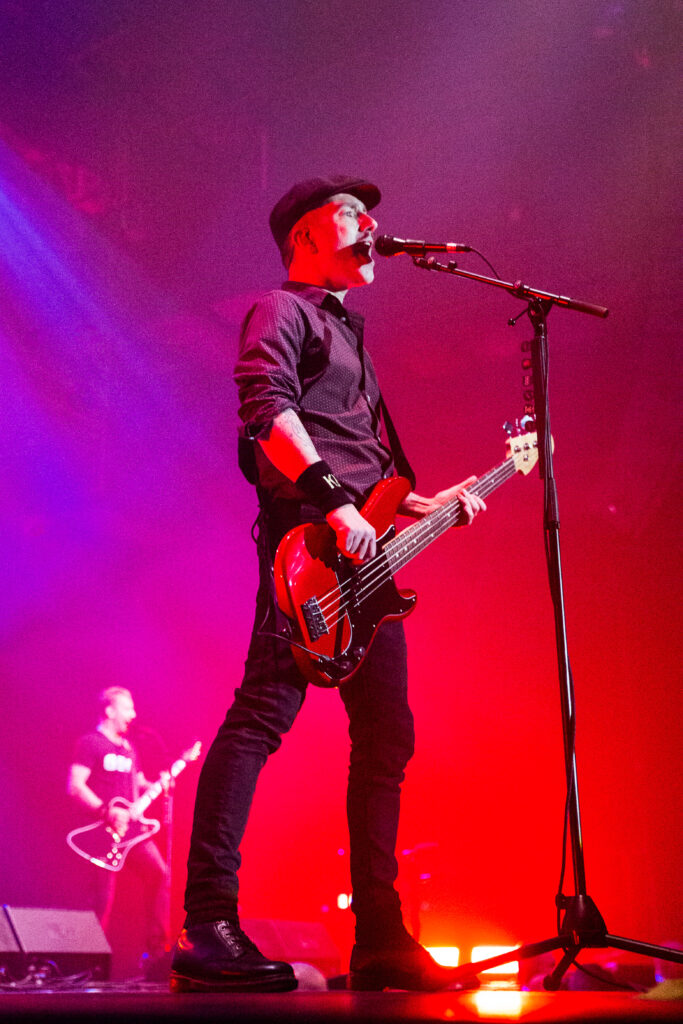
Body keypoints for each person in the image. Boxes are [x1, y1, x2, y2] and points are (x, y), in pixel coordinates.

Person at [170, 176, 486, 993]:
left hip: (367, 553)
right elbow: (264, 408)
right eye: (353, 213)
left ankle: (380, 937)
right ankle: (208, 926)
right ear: (306, 236)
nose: (374, 223)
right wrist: (332, 501)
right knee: (262, 716)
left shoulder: (350, 331)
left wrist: (418, 503)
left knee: (387, 737)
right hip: (309, 548)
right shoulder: (282, 310)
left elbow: (356, 451)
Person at [67, 686, 169, 965]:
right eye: (127, 708)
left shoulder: (128, 748)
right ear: (110, 711)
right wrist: (104, 810)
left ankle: (156, 953)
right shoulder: (91, 743)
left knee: (159, 873)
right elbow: (76, 786)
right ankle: (89, 964)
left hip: (132, 833)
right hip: (100, 833)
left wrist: (160, 783)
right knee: (102, 899)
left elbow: (138, 783)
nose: (133, 715)